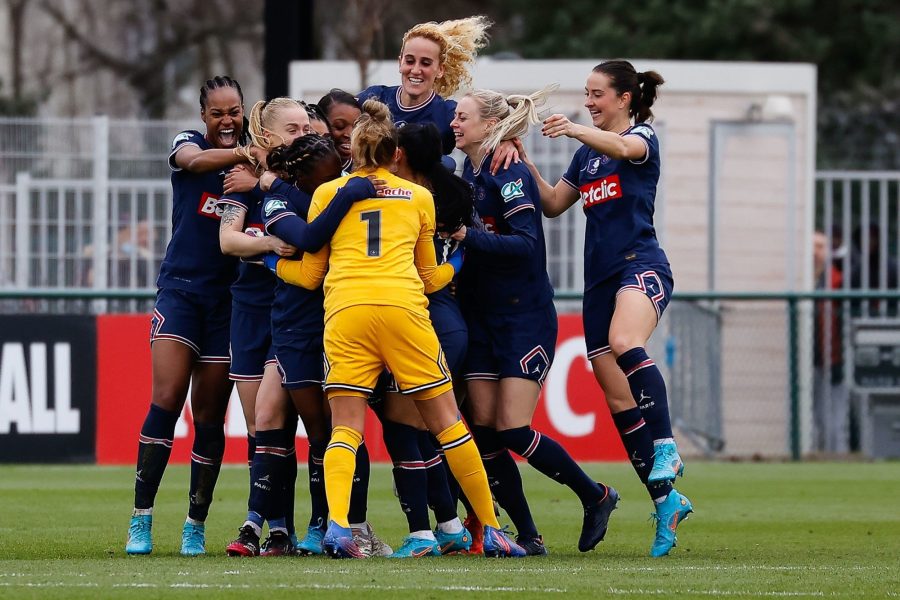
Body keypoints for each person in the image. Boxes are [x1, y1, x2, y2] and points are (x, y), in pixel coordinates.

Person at [271, 98, 526, 559]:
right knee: (448, 424)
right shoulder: (420, 197)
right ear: (394, 154)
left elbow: (310, 275)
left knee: (345, 429)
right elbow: (430, 279)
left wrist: (271, 260)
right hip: (404, 311)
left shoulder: (328, 194)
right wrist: (460, 261)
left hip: (346, 311)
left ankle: (339, 528)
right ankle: (489, 529)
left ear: (355, 151)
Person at [514, 60, 692, 557]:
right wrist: (525, 159)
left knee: (623, 342)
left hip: (641, 264)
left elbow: (625, 147)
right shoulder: (587, 158)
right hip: (599, 283)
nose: (589, 102)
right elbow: (552, 204)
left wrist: (572, 129)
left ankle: (666, 447)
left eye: (596, 94)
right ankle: (666, 503)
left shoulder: (641, 138)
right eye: (586, 94)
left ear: (625, 98)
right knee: (617, 400)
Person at [450, 86, 619, 555]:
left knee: (513, 429)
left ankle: (596, 494)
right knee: (481, 427)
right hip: (482, 317)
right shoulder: (471, 168)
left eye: (463, 116)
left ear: (489, 126)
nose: (455, 123)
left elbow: (525, 247)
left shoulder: (511, 173)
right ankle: (526, 534)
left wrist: (466, 235)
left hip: (523, 316)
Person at [125, 75, 250, 556]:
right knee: (167, 396)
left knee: (210, 416)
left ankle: (195, 524)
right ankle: (141, 518)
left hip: (228, 302)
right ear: (203, 116)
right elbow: (193, 162)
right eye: (217, 112)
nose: (226, 120)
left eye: (234, 111)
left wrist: (257, 168)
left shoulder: (253, 167)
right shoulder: (191, 146)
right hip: (181, 292)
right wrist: (247, 155)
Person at [371, 122, 474, 557]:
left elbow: (429, 277)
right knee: (426, 430)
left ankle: (428, 533)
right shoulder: (439, 191)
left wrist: (460, 259)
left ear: (399, 155)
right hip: (436, 324)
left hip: (425, 323)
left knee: (403, 429)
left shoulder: (414, 198)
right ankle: (449, 526)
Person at [357, 15, 490, 156]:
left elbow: (489, 130)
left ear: (440, 70)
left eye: (425, 63)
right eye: (409, 61)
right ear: (400, 63)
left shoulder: (448, 114)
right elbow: (335, 112)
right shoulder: (375, 97)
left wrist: (507, 143)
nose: (415, 70)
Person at [813, 230, 850, 453]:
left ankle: (840, 456)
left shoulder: (836, 280)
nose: (815, 252)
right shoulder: (805, 280)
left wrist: (838, 356)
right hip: (814, 359)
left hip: (836, 358)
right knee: (817, 416)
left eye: (820, 246)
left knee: (836, 419)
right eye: (813, 246)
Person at [317, 89, 362, 172]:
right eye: (339, 126)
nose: (349, 134)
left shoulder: (366, 172)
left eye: (356, 128)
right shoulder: (305, 168)